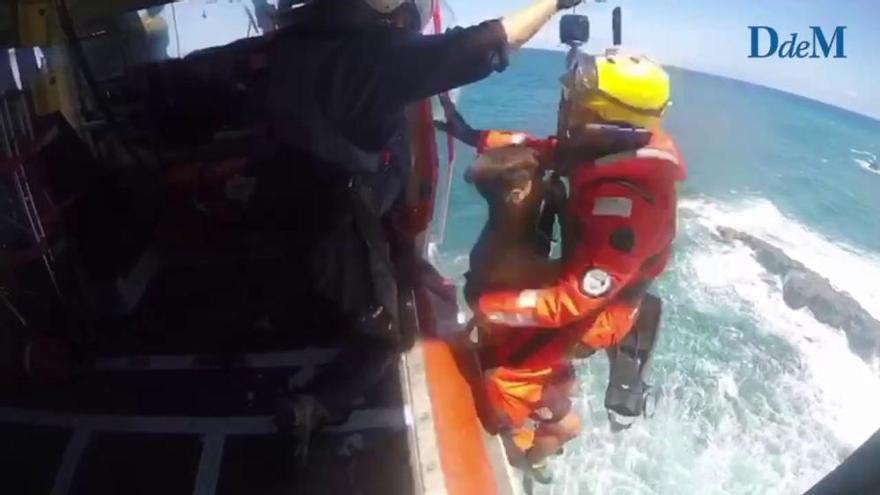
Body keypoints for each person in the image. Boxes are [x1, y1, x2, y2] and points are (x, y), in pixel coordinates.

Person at [260, 0, 586, 469]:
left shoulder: (290, 44)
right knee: (386, 337)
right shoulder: (373, 54)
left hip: (284, 203)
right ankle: (313, 407)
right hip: (334, 218)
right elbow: (485, 44)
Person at [438, 50, 687, 483]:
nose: (567, 107)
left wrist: (496, 308)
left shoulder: (626, 208)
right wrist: (475, 135)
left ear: (606, 117)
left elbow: (573, 300)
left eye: (579, 101)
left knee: (506, 380)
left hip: (597, 310)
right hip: (583, 279)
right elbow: (548, 150)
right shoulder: (614, 144)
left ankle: (522, 443)